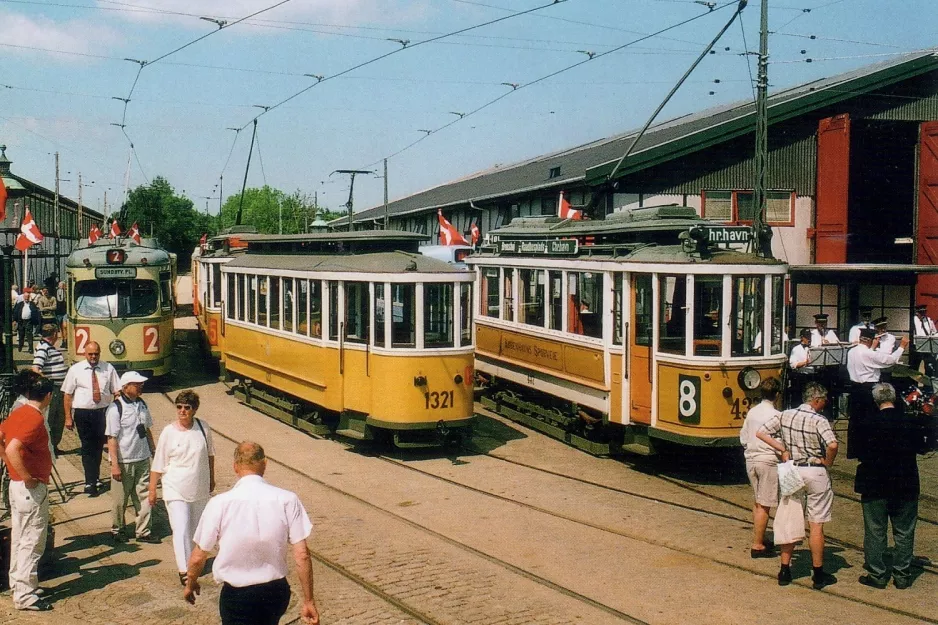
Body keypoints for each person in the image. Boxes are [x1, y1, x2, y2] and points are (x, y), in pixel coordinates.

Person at [185, 442, 320, 625]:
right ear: (265, 464)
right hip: (275, 593)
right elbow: (302, 555)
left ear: (235, 467)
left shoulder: (219, 503)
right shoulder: (287, 499)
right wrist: (309, 600)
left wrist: (191, 581)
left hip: (237, 597)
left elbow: (198, 556)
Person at [757, 382, 839, 590]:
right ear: (817, 400)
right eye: (824, 401)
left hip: (792, 469)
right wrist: (828, 461)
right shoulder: (819, 420)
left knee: (789, 518)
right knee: (816, 524)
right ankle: (818, 574)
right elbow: (832, 444)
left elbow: (761, 432)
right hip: (815, 470)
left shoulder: (785, 415)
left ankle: (785, 569)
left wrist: (783, 449)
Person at [855, 383, 923, 590]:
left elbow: (858, 452)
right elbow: (922, 447)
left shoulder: (866, 423)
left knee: (875, 530)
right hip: (905, 483)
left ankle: (877, 574)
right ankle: (902, 575)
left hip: (875, 484)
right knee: (904, 530)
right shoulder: (910, 421)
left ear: (875, 401)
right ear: (894, 398)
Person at [149, 390, 216, 585]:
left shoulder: (203, 428)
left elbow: (210, 455)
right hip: (175, 487)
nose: (182, 411)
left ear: (194, 409)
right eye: (179, 407)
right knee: (181, 527)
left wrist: (211, 478)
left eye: (187, 408)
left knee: (196, 529)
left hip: (199, 487)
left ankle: (194, 561)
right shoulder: (168, 432)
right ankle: (184, 570)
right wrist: (153, 489)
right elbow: (158, 463)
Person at [0, 374, 55, 611]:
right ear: (48, 396)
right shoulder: (34, 418)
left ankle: (21, 583)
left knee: (20, 537)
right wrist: (27, 477)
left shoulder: (18, 413)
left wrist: (12, 469)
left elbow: (2, 440)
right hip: (29, 488)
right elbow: (13, 448)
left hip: (16, 486)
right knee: (32, 540)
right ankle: (25, 595)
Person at [62, 341, 121, 496]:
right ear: (85, 354)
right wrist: (68, 417)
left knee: (98, 447)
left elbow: (117, 391)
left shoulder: (108, 368)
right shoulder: (76, 370)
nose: (93, 356)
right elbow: (67, 395)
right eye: (90, 354)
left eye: (96, 353)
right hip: (83, 414)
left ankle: (95, 478)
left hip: (103, 413)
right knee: (88, 447)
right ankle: (90, 482)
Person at [106, 371, 158, 544]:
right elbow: (112, 438)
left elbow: (147, 429)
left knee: (143, 497)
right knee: (120, 500)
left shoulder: (142, 404)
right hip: (124, 460)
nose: (141, 386)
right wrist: (114, 464)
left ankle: (143, 531)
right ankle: (117, 529)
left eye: (141, 384)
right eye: (137, 384)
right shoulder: (115, 408)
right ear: (126, 387)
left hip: (142, 458)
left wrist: (153, 450)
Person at [846, 328, 908, 459]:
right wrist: (902, 347)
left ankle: (855, 450)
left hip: (855, 388)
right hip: (868, 388)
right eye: (875, 339)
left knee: (856, 419)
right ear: (870, 340)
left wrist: (873, 348)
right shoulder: (869, 354)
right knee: (870, 419)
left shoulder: (852, 351)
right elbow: (889, 360)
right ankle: (870, 449)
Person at [738, 377, 781, 558]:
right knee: (765, 504)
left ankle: (760, 537)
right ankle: (757, 545)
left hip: (751, 460)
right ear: (777, 395)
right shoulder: (777, 416)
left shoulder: (752, 412)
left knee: (758, 500)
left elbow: (743, 437)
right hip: (768, 461)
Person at [31, 324, 68, 454]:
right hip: (53, 389)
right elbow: (36, 369)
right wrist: (47, 383)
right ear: (54, 334)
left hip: (58, 389)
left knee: (58, 418)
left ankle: (53, 446)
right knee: (52, 418)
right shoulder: (43, 348)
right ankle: (48, 448)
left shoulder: (47, 347)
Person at [911, 303, 937, 377]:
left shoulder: (929, 320)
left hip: (927, 346)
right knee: (914, 367)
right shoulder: (913, 320)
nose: (923, 314)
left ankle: (927, 386)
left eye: (924, 312)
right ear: (917, 313)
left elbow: (934, 332)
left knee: (929, 367)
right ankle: (914, 385)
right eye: (921, 312)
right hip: (916, 346)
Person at [55, 281, 67, 347]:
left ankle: (66, 340)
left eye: (62, 285)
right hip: (59, 312)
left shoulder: (66, 292)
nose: (61, 286)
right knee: (61, 328)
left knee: (65, 326)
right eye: (60, 285)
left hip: (65, 312)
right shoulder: (56, 293)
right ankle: (63, 341)